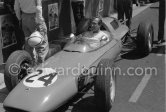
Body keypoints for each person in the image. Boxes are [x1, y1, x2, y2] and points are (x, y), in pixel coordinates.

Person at [14, 0, 49, 65]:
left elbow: (16, 8)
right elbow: (38, 7)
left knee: (29, 43)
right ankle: (41, 66)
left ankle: (31, 64)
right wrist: (39, 20)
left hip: (24, 18)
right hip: (35, 17)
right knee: (41, 42)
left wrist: (19, 19)